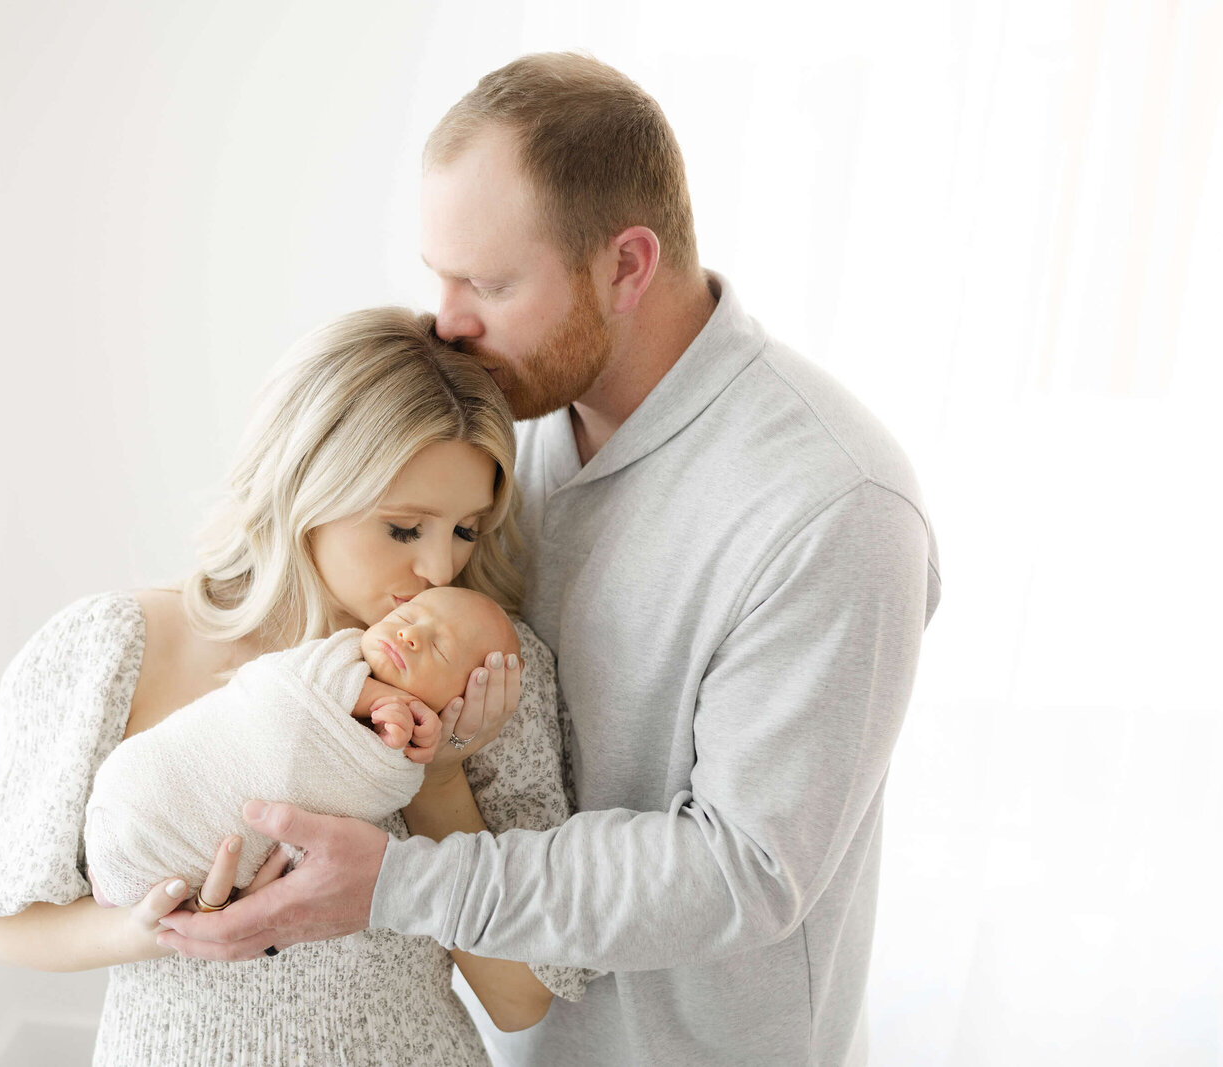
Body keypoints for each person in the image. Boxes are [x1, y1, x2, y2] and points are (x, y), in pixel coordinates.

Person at [155, 53, 942, 1067]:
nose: (446, 320)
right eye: (439, 273)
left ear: (626, 265)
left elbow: (742, 867)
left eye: (487, 282)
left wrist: (398, 882)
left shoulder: (832, 504)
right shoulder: (499, 432)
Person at [0, 307, 594, 1065]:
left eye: (466, 529)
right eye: (405, 528)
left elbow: (519, 996)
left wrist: (438, 780)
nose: (440, 570)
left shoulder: (485, 673)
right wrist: (149, 927)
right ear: (304, 486)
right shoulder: (114, 651)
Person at [83, 587, 520, 909]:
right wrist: (375, 698)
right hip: (143, 788)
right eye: (409, 615)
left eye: (440, 649)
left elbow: (371, 790)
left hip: (184, 869)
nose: (410, 636)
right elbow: (286, 691)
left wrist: (428, 753)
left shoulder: (407, 759)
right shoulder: (325, 664)